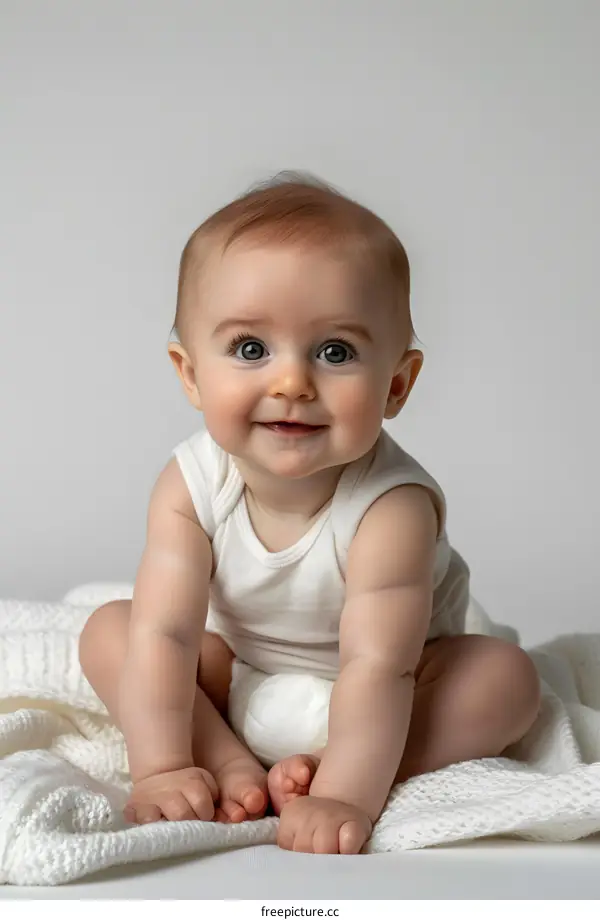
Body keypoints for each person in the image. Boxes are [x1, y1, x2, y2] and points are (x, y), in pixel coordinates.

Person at [79, 173, 541, 855]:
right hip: (238, 672)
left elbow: (379, 666)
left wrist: (344, 795)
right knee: (112, 631)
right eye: (249, 349)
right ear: (189, 372)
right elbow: (168, 636)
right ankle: (231, 760)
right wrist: (163, 767)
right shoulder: (190, 484)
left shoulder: (392, 508)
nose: (291, 382)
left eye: (335, 352)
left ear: (396, 385)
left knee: (507, 684)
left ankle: (336, 772)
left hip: (394, 693)